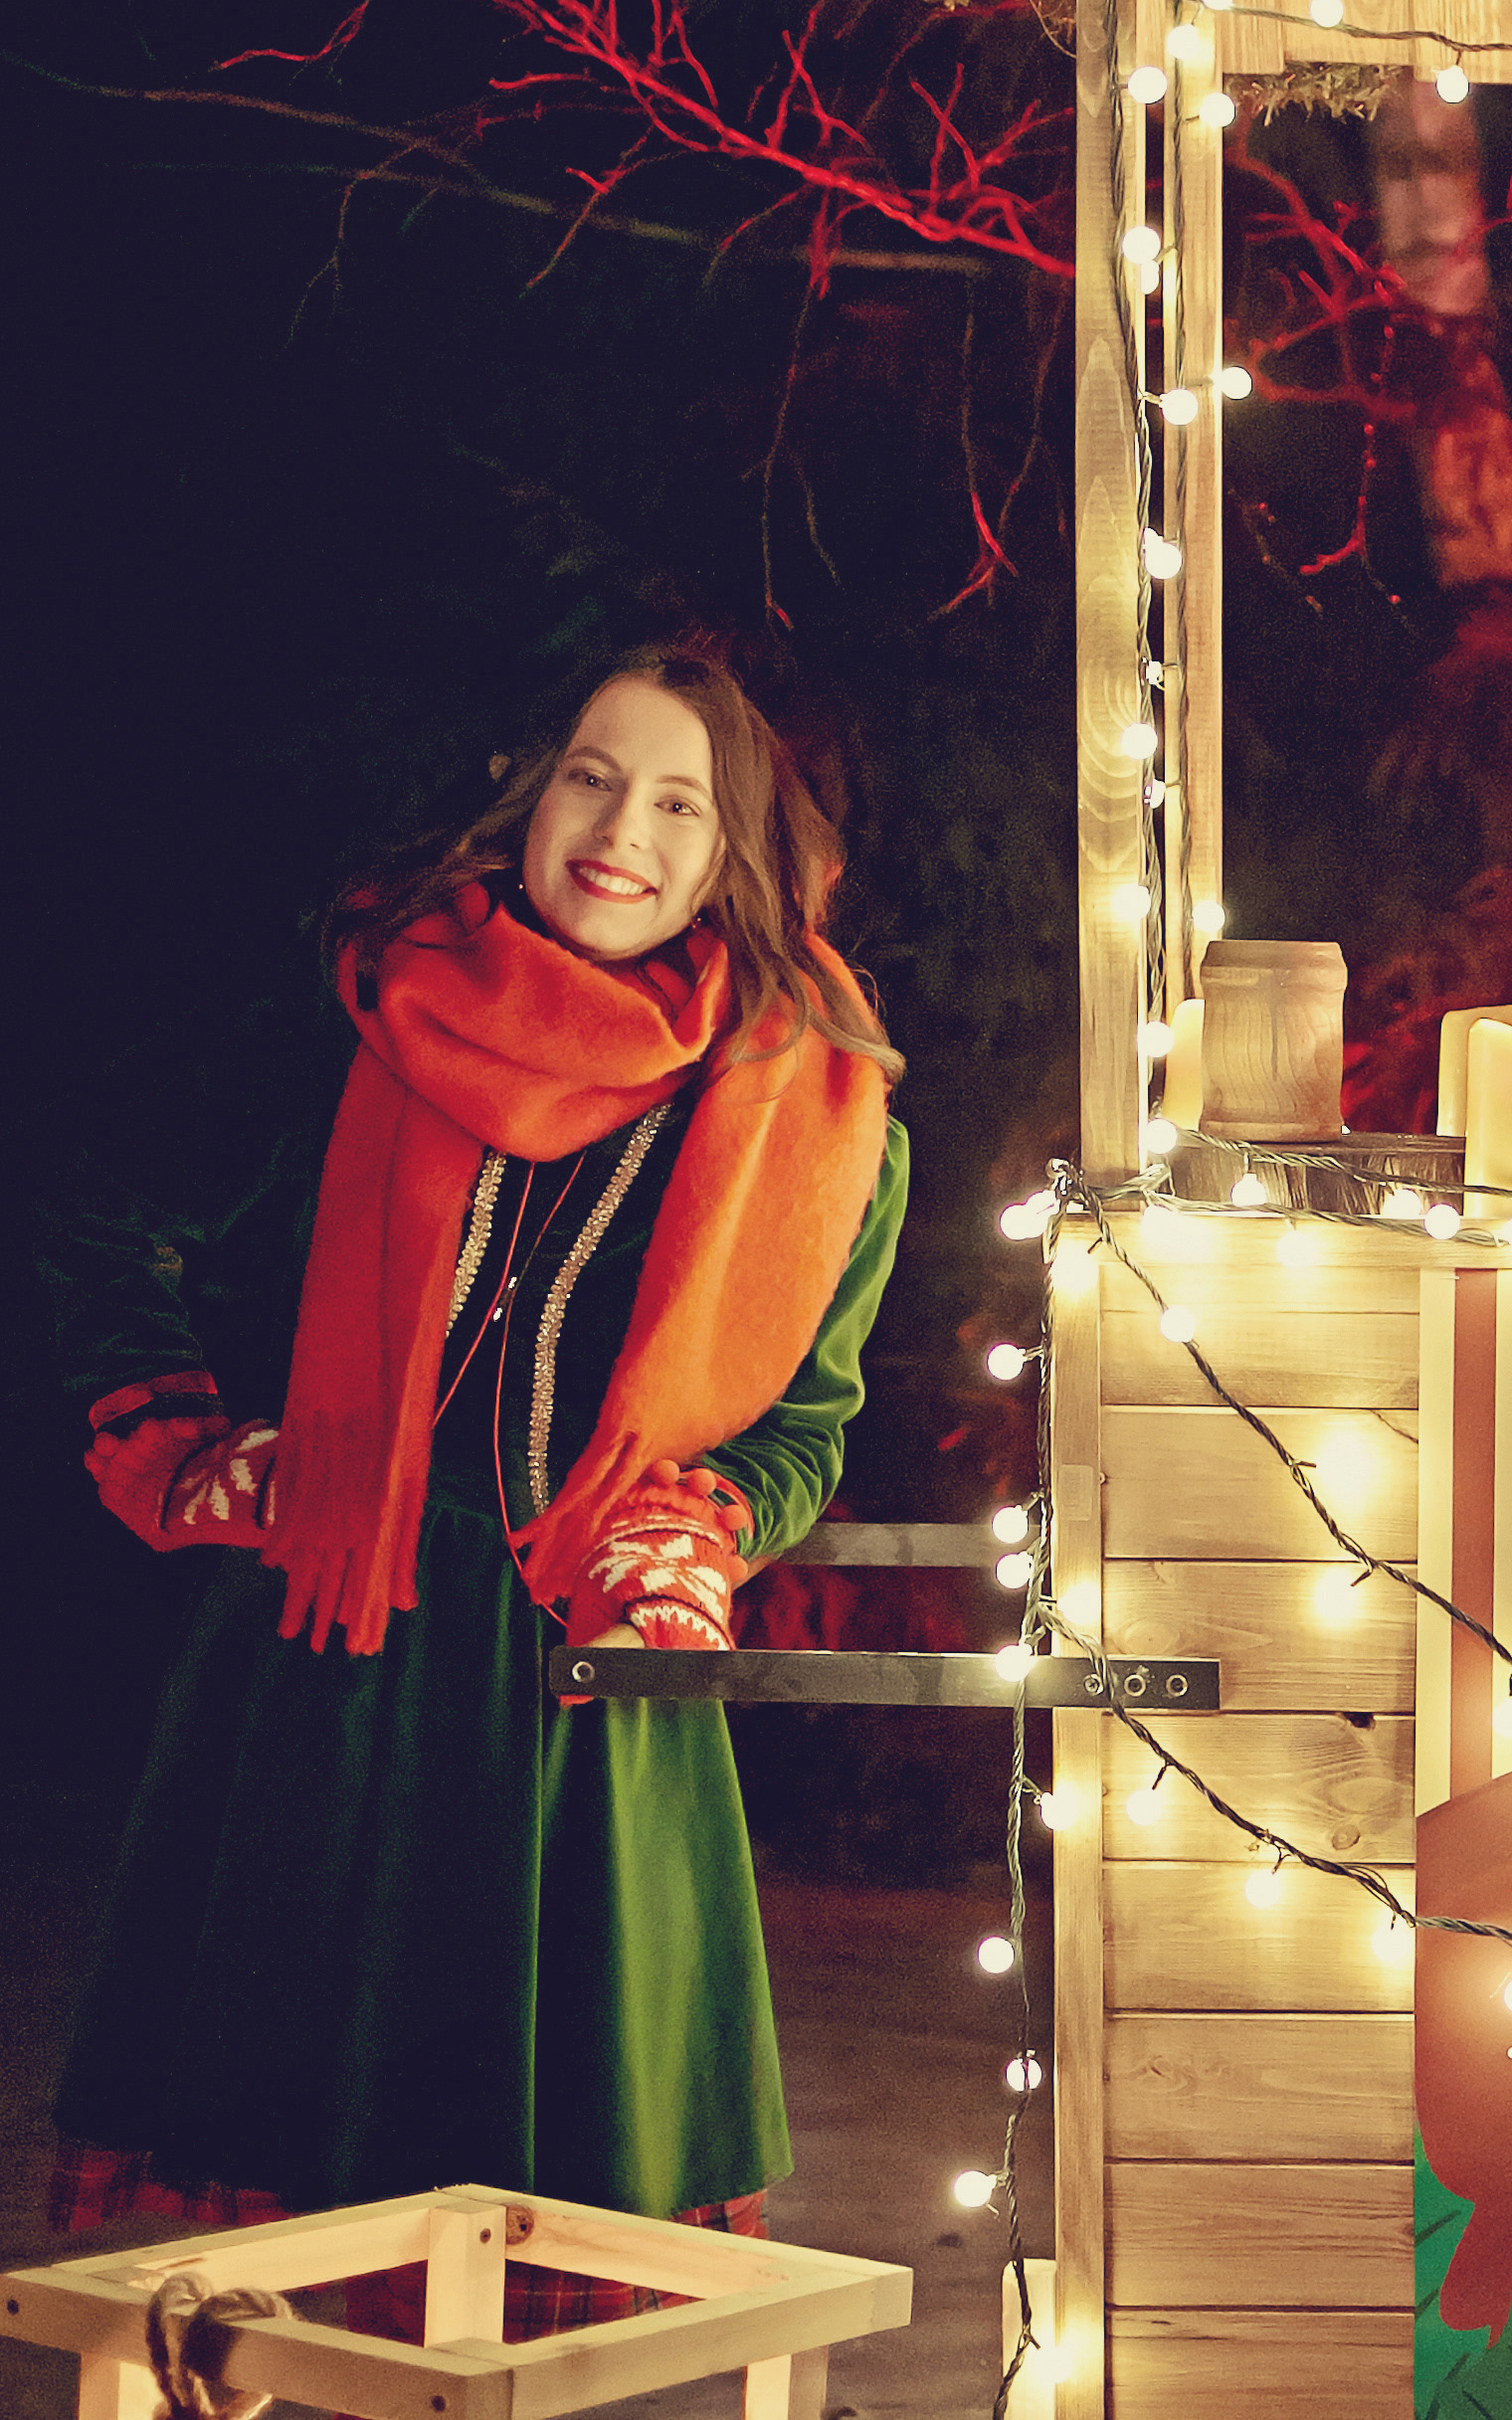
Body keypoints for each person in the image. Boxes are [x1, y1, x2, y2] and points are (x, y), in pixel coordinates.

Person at [47, 646, 909, 2335]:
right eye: (594, 776)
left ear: (733, 851)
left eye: (680, 804)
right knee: (265, 2275)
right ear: (532, 792)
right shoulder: (370, 1007)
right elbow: (104, 1209)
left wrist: (691, 1539)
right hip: (325, 1670)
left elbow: (803, 1429)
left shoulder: (816, 1110)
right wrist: (184, 1442)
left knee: (530, 2269)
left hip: (592, 1704)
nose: (623, 831)